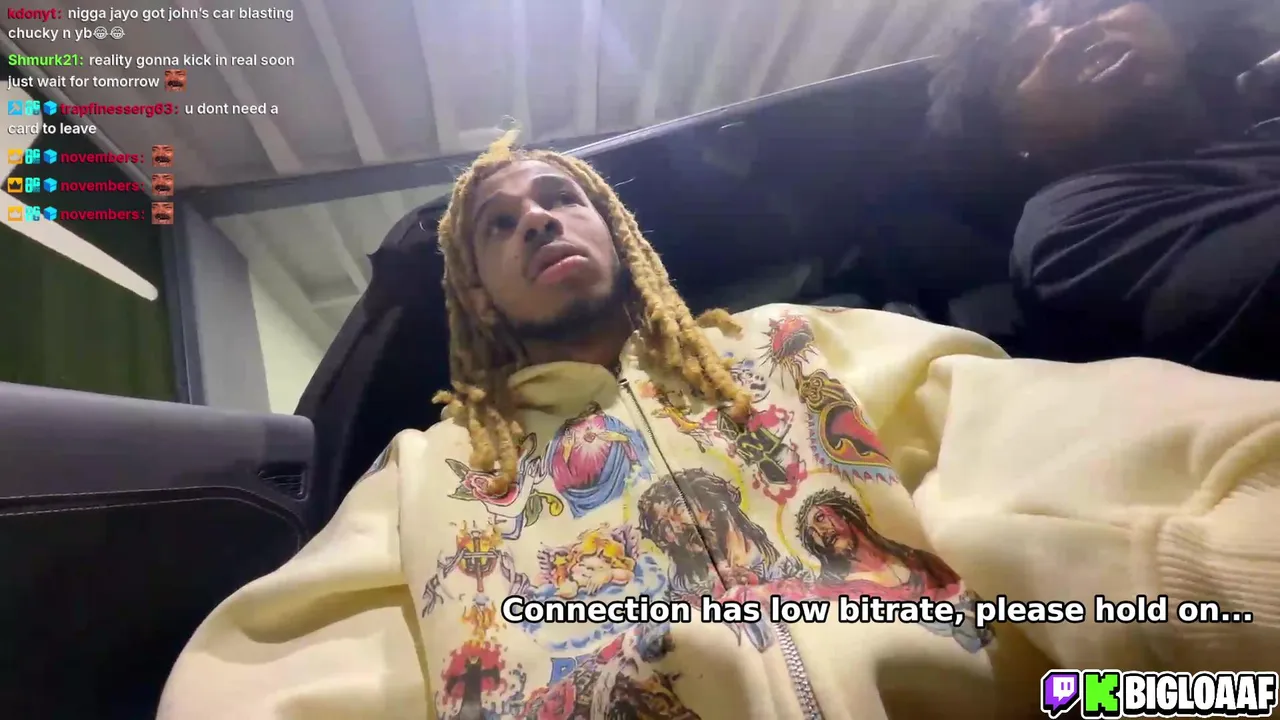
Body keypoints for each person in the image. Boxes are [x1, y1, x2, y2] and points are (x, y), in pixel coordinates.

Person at [158, 132, 1280, 720]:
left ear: (617, 232)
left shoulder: (802, 346)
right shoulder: (429, 474)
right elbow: (273, 684)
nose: (535, 219)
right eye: (498, 224)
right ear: (479, 297)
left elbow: (1078, 462)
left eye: (559, 198)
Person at [927, 0, 1280, 381]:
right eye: (1025, 61)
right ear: (1014, 141)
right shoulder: (1071, 227)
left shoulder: (1260, 107)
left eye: (1081, 13)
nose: (1072, 36)